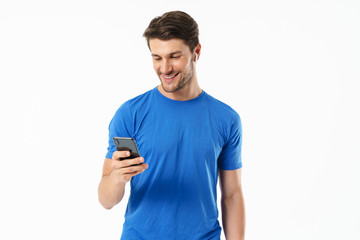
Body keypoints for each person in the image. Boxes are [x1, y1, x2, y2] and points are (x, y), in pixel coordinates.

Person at [98, 10, 245, 240]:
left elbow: (232, 196)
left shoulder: (226, 119)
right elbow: (106, 200)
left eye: (174, 56)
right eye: (157, 58)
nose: (164, 68)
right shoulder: (130, 114)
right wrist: (118, 177)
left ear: (196, 51)